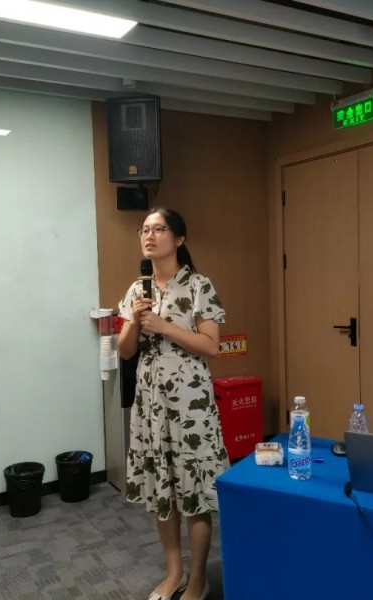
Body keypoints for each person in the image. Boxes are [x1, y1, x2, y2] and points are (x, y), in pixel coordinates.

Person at [118, 208, 228, 600]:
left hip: (190, 405)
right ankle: (174, 574)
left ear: (179, 238)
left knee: (194, 491)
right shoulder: (138, 289)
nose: (149, 235)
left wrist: (164, 326)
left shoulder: (199, 285)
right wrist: (135, 321)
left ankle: (198, 579)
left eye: (159, 229)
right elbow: (126, 351)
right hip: (150, 404)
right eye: (144, 229)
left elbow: (212, 346)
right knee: (162, 491)